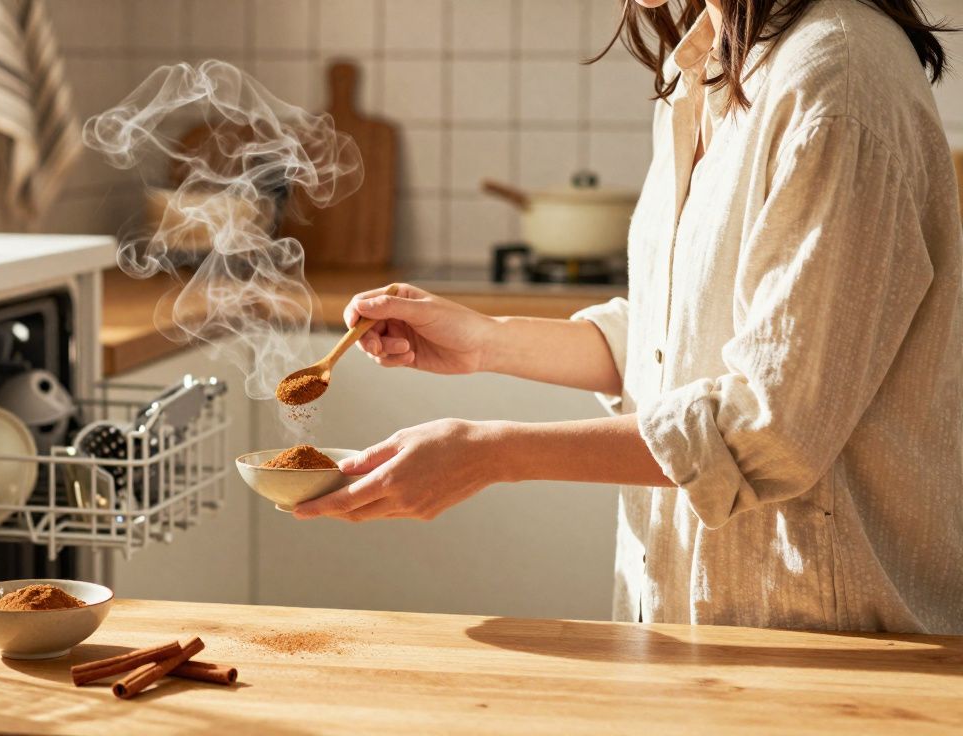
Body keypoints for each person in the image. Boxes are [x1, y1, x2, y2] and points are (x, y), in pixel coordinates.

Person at [292, 0, 963, 635]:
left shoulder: (837, 81)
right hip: (695, 635)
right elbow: (675, 339)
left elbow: (770, 424)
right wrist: (485, 341)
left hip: (829, 658)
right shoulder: (705, 67)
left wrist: (492, 453)